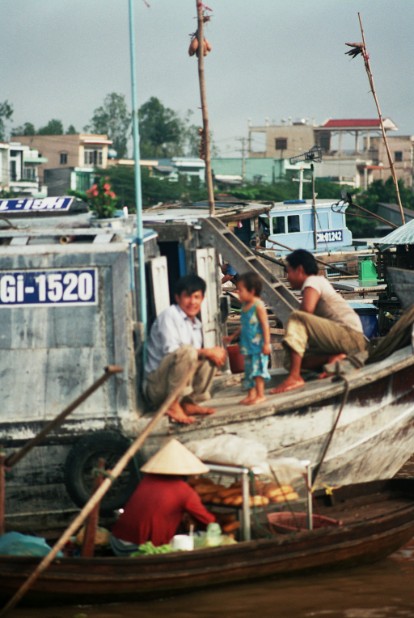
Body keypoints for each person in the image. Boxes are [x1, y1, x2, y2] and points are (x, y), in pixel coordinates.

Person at [270, 249, 367, 394]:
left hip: (350, 336)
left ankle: (295, 377)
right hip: (343, 341)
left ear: (300, 269)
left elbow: (305, 313)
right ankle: (335, 359)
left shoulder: (313, 280)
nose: (287, 277)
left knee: (296, 316)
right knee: (290, 362)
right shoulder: (316, 282)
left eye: (288, 271)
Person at [145, 274, 227, 425]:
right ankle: (172, 404)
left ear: (202, 299)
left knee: (214, 354)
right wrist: (205, 352)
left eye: (197, 297)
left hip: (174, 383)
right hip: (157, 387)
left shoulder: (195, 323)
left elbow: (196, 357)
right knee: (190, 351)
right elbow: (173, 351)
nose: (192, 302)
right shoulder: (170, 315)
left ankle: (188, 402)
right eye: (187, 297)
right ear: (177, 298)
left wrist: (211, 353)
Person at [110, 439, 215, 553]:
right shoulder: (184, 491)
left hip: (117, 542)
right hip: (139, 548)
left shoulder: (147, 480)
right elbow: (208, 520)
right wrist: (220, 531)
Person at [224, 272, 271, 405]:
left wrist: (267, 343)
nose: (238, 293)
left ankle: (260, 394)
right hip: (247, 345)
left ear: (252, 291)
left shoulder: (258, 306)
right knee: (249, 370)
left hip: (258, 346)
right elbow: (243, 325)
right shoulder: (245, 306)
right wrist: (232, 336)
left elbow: (265, 326)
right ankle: (251, 394)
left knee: (258, 370)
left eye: (241, 290)